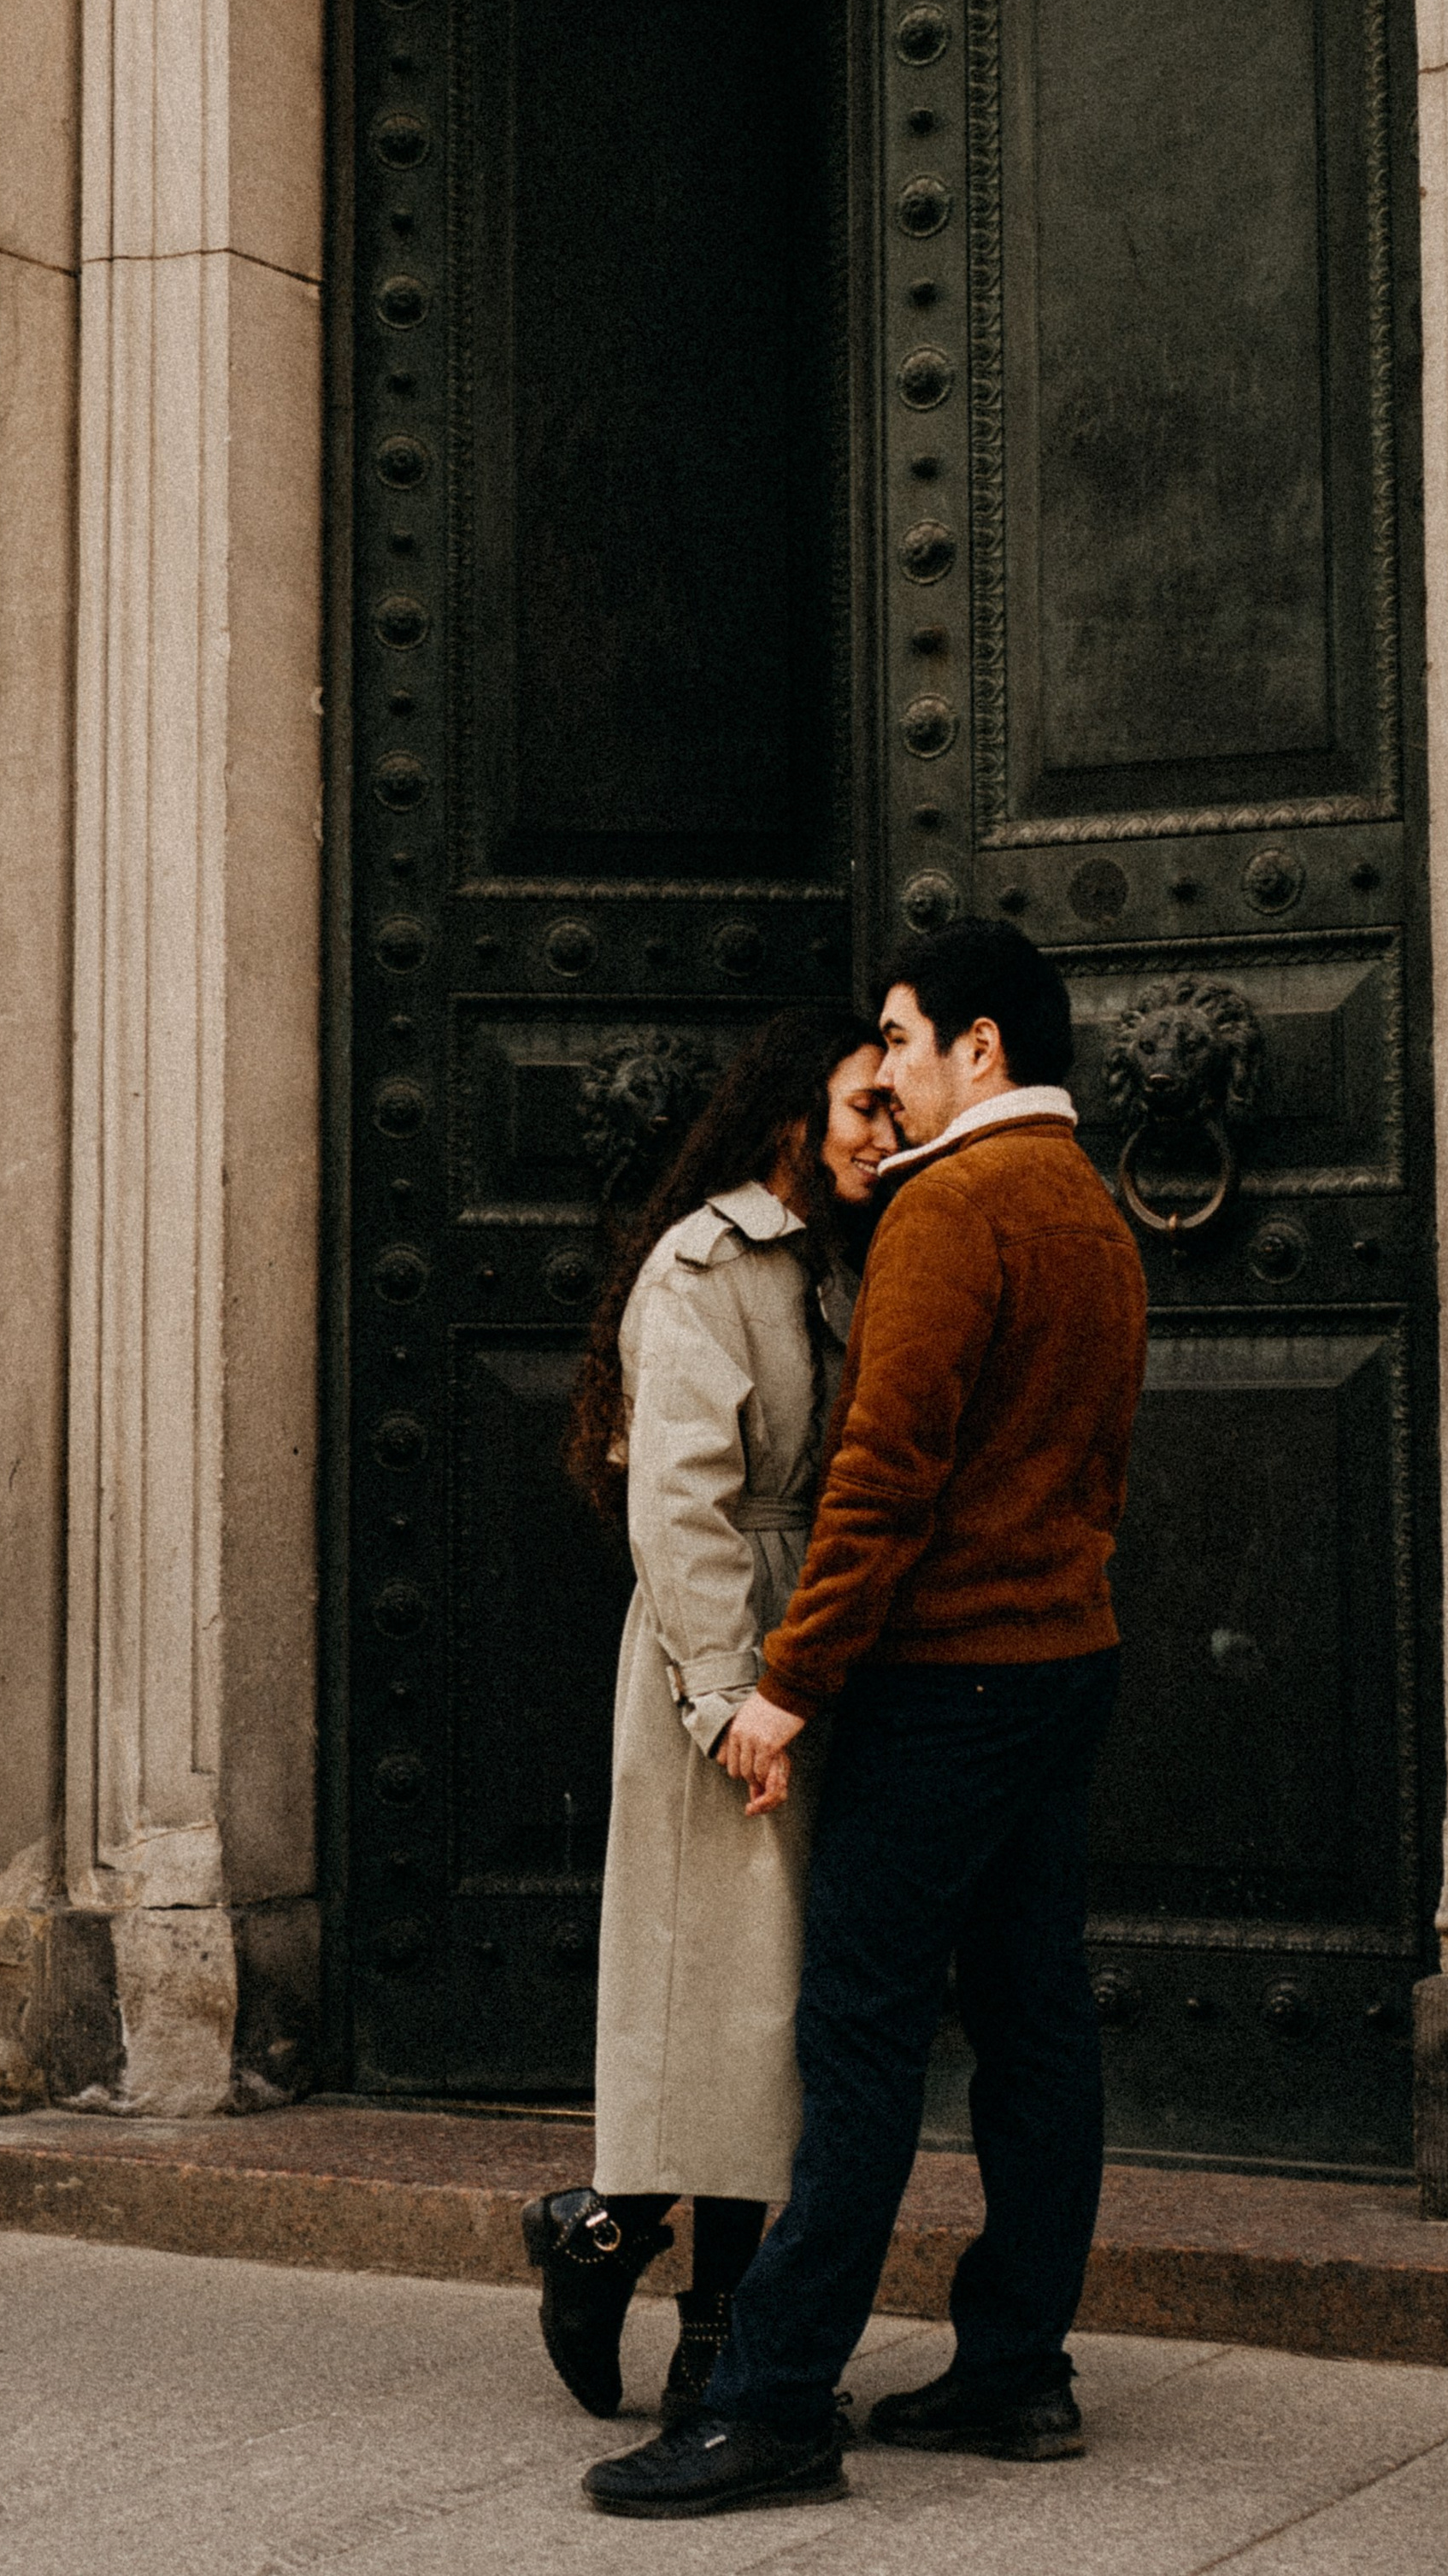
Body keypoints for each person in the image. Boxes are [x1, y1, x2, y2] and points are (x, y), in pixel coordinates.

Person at [582, 917, 1147, 2520]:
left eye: (900, 1038)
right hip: (1064, 1660)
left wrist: (786, 1684)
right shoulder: (1093, 1210)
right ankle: (1016, 2367)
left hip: (950, 1680)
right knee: (1036, 2023)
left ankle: (767, 2404)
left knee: (856, 2039)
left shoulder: (953, 1207)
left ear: (980, 1048)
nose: (885, 1078)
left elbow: (885, 1483)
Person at [524, 1010, 897, 2428]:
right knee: (720, 1997)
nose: (885, 1132)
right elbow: (676, 1501)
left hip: (813, 1644)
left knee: (778, 2008)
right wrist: (728, 1693)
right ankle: (634, 2262)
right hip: (724, 1649)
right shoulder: (703, 1265)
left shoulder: (846, 1262)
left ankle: (675, 2294)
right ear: (795, 1115)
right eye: (864, 1108)